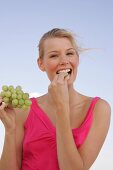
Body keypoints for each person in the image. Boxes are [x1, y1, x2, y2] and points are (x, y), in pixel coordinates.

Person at [0, 28, 111, 170]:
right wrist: (10, 130)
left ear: (77, 58)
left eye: (70, 53)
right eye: (54, 56)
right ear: (41, 64)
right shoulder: (25, 110)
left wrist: (61, 107)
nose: (64, 61)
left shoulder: (99, 109)